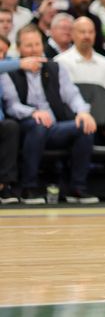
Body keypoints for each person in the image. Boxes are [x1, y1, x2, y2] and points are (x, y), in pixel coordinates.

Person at [1, 24, 98, 204]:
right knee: (38, 125)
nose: (34, 49)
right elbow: (12, 105)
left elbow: (72, 94)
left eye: (37, 44)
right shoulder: (10, 70)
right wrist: (33, 112)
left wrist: (83, 112)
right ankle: (28, 188)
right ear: (19, 48)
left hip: (54, 126)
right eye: (29, 45)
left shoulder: (55, 67)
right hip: (26, 125)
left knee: (84, 127)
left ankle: (77, 188)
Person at [0, 35, 45, 204]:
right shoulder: (8, 67)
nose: (1, 56)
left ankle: (4, 186)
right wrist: (20, 63)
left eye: (4, 53)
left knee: (11, 127)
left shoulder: (3, 74)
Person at [54, 17, 105, 111]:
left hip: (104, 117)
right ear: (72, 34)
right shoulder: (60, 62)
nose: (87, 36)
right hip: (73, 118)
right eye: (82, 32)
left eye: (91, 32)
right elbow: (64, 98)